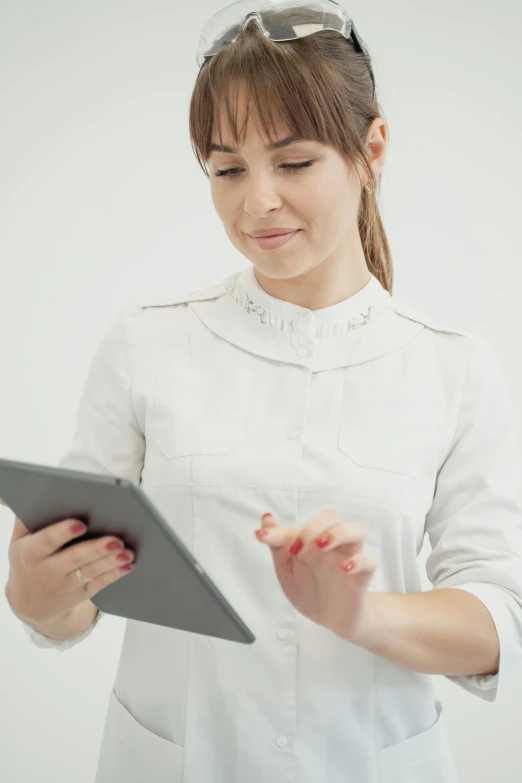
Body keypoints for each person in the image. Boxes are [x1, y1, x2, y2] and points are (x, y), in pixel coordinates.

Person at [5, 2, 522, 782]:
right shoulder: (147, 343)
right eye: (228, 168)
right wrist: (39, 594)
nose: (257, 202)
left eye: (294, 162)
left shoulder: (454, 367)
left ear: (371, 149)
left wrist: (358, 613)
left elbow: (496, 621)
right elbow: (76, 593)